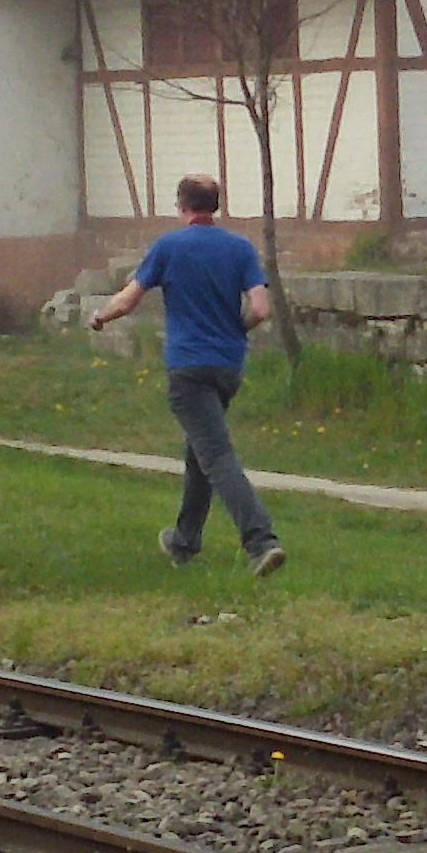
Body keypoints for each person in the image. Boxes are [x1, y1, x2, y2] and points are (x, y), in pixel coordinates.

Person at [88, 173, 284, 576]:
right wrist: (235, 330)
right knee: (201, 454)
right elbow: (261, 309)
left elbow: (129, 299)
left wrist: (99, 316)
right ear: (216, 205)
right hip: (229, 367)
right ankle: (184, 542)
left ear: (182, 206)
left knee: (216, 455)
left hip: (188, 369)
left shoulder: (169, 246)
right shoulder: (240, 248)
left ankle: (261, 541)